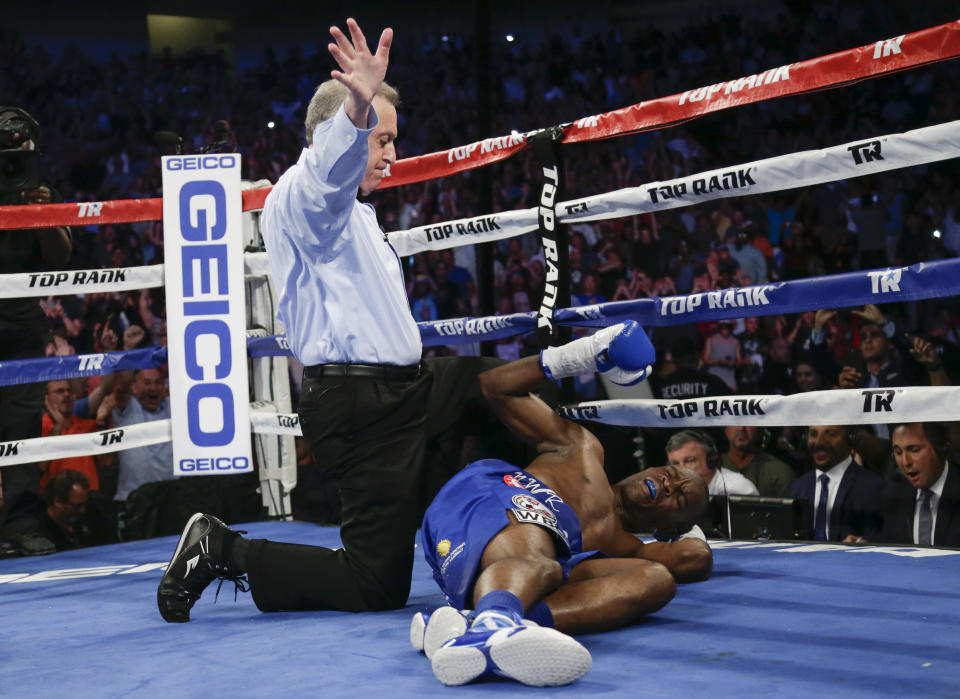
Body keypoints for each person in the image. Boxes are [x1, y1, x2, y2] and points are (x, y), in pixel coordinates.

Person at [158, 18, 502, 623]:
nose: (393, 155)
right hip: (361, 409)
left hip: (411, 390)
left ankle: (546, 538)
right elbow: (328, 179)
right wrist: (359, 108)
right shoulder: (299, 198)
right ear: (333, 135)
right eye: (383, 139)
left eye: (393, 140)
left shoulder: (362, 218)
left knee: (509, 387)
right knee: (376, 585)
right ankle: (224, 548)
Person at [413, 323, 712, 686]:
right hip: (488, 496)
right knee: (540, 543)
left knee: (656, 582)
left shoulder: (628, 548)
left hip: (524, 565)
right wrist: (584, 353)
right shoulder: (582, 449)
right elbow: (496, 386)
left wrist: (689, 534)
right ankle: (491, 627)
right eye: (669, 472)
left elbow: (694, 557)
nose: (668, 483)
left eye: (679, 496)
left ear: (670, 527)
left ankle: (485, 625)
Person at [0, 107, 72, 529]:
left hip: (23, 324)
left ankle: (22, 528)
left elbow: (61, 258)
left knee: (22, 430)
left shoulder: (39, 194)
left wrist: (41, 213)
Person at [788, 425, 884, 543]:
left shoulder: (873, 487)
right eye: (813, 434)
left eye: (830, 434)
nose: (819, 442)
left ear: (850, 439)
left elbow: (881, 540)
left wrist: (861, 543)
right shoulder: (797, 487)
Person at [881, 422, 960, 547]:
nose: (906, 462)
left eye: (914, 450)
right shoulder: (893, 495)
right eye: (898, 452)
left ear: (941, 448)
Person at [666, 430, 758, 497]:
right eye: (675, 463)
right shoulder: (672, 493)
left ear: (711, 460)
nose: (681, 469)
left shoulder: (737, 488)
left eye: (689, 460)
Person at [722, 425, 796, 497]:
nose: (741, 428)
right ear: (725, 429)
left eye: (749, 421)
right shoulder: (713, 468)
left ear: (759, 428)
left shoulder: (779, 473)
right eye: (735, 421)